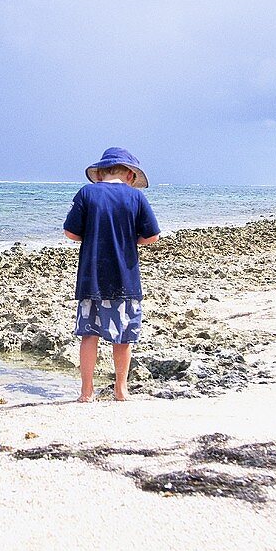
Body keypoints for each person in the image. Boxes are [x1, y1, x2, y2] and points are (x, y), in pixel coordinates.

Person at [63, 147, 160, 401]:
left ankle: (86, 392)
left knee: (88, 334)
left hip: (90, 275)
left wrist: (95, 237)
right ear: (130, 175)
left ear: (101, 173)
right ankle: (120, 389)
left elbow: (70, 233)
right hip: (124, 277)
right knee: (123, 337)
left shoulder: (86, 193)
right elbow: (152, 236)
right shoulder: (135, 198)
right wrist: (128, 240)